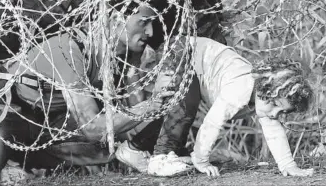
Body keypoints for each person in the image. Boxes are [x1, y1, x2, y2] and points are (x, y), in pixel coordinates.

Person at [0, 0, 197, 185]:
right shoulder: (67, 49)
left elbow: (130, 123)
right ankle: (9, 163)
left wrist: (160, 105)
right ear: (115, 18)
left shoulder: (121, 58)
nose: (150, 31)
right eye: (144, 22)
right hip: (3, 114)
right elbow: (91, 127)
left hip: (43, 126)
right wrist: (151, 105)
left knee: (111, 147)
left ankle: (18, 162)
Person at [120, 36, 315, 177]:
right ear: (266, 90)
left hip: (196, 62)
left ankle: (135, 148)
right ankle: (161, 157)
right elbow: (212, 124)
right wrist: (201, 160)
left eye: (282, 112)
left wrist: (289, 165)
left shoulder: (263, 100)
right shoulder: (239, 90)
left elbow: (274, 131)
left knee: (181, 107)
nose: (275, 114)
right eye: (274, 105)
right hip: (182, 53)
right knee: (184, 104)